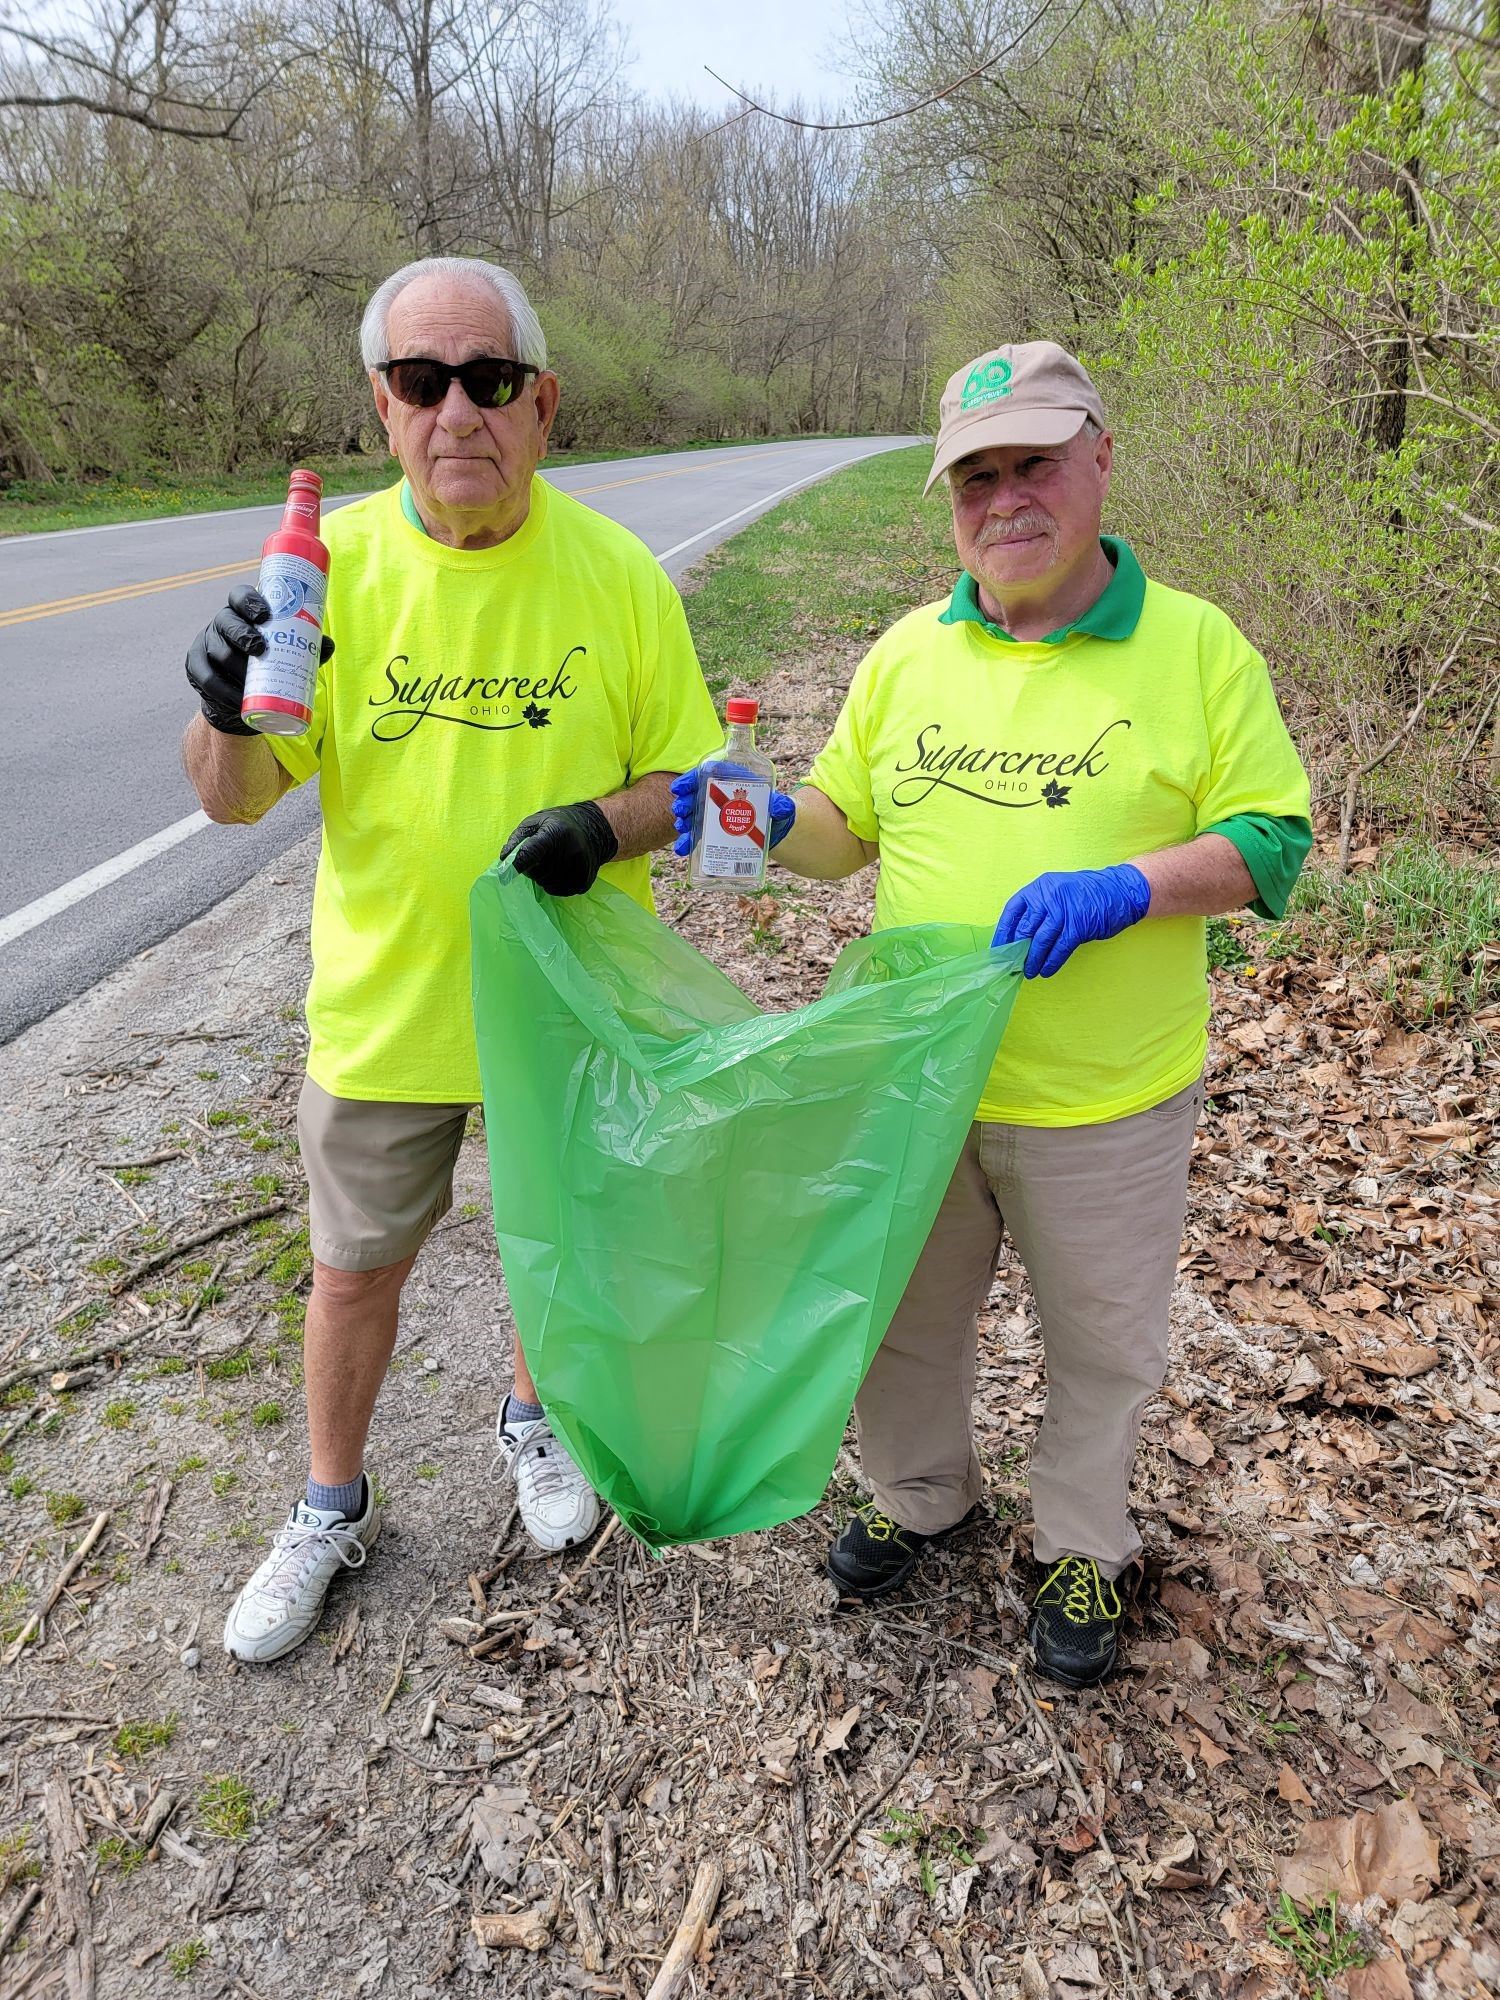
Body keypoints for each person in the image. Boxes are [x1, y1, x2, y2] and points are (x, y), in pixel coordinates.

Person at [674, 341, 1311, 1686]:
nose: (1005, 497)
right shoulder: (909, 654)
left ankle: (1081, 1536)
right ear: (949, 497)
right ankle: (921, 1494)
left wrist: (1129, 888)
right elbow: (848, 828)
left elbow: (1271, 847)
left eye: (1034, 462)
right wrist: (767, 819)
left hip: (1107, 1095)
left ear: (1100, 459)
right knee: (901, 1315)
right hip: (918, 1079)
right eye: (976, 476)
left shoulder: (1196, 646)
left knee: (1101, 1340)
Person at [184, 256, 719, 1664]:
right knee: (355, 1270)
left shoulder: (614, 574)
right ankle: (329, 1507)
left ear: (543, 402)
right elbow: (232, 798)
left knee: (553, 1251)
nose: (457, 410)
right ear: (383, 406)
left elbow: (697, 787)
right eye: (424, 382)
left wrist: (598, 826)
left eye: (490, 380)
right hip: (390, 1007)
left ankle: (533, 1427)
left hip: (570, 1001)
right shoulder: (329, 573)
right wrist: (222, 708)